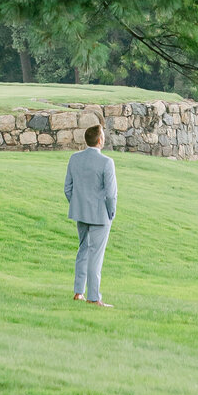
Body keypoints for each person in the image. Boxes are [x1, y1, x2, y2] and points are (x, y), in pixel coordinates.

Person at [64, 121, 117, 307]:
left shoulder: (74, 159)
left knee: (83, 251)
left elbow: (67, 189)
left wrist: (77, 204)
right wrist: (111, 212)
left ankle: (79, 292)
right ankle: (94, 297)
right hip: (100, 215)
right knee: (96, 255)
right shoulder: (107, 162)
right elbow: (111, 194)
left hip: (80, 213)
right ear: (100, 140)